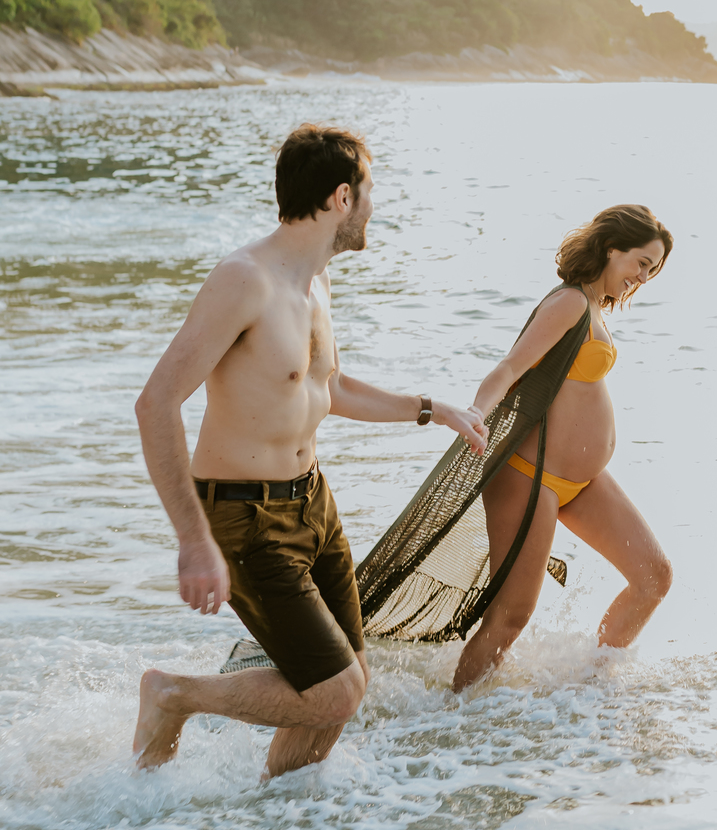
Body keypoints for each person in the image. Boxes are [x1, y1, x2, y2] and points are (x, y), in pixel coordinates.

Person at [131, 123, 488, 776]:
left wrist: (433, 410)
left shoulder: (316, 283)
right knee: (335, 690)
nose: (375, 208)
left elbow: (332, 386)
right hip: (243, 517)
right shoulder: (245, 281)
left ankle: (279, 829)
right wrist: (192, 538)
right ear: (342, 197)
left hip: (312, 506)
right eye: (371, 193)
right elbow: (155, 403)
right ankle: (173, 695)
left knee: (340, 695)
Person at [450, 204, 674, 691]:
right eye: (640, 262)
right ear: (611, 250)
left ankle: (591, 690)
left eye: (652, 270)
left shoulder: (594, 307)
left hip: (582, 480)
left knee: (653, 577)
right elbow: (509, 369)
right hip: (530, 477)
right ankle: (450, 722)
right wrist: (474, 412)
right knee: (511, 617)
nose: (643, 277)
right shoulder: (570, 302)